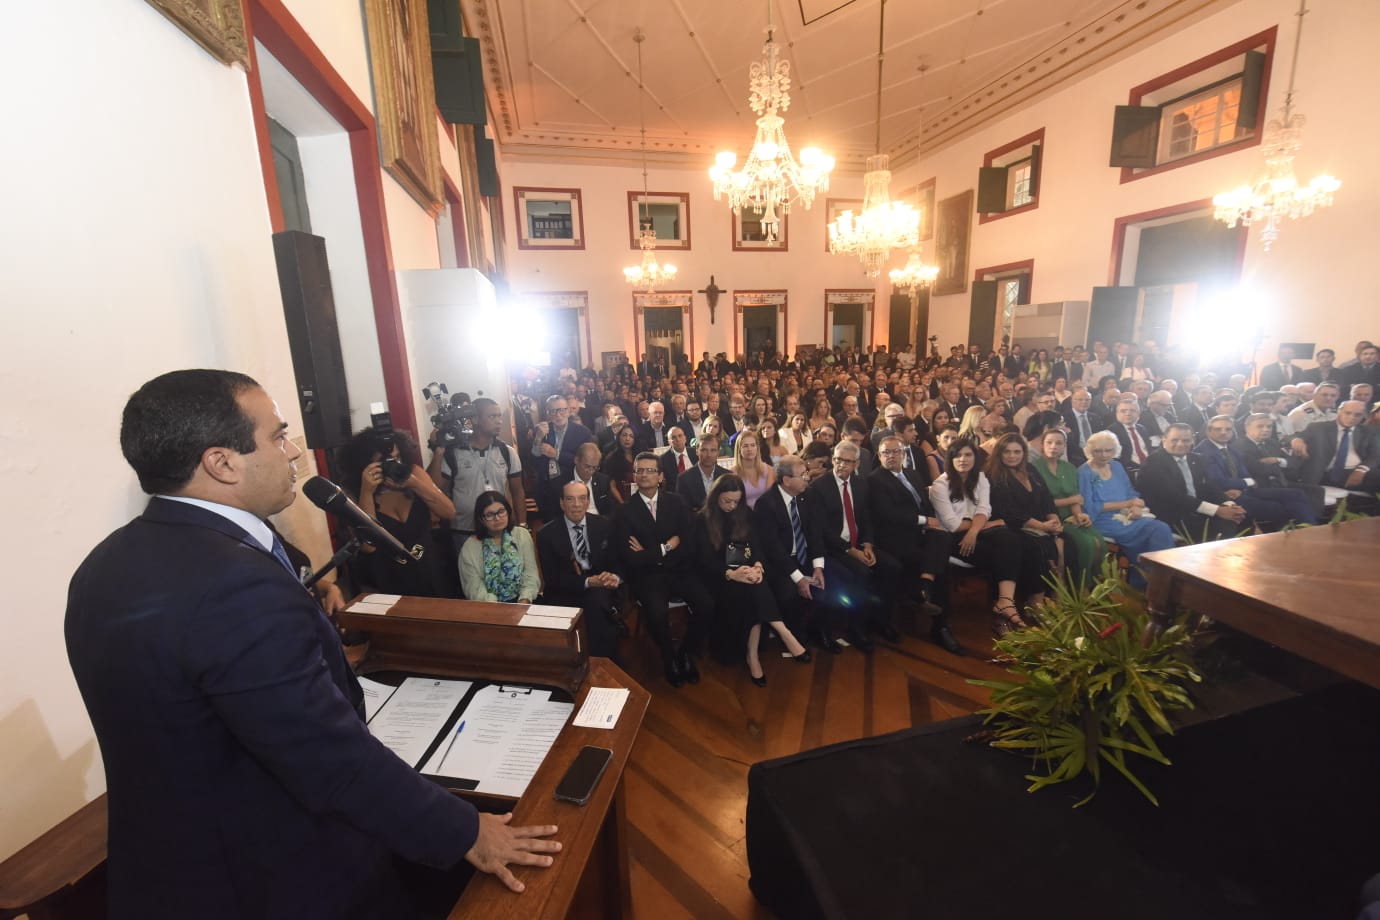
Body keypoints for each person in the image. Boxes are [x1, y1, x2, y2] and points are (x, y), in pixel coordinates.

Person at [67, 370, 558, 919]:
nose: (294, 453)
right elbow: (327, 757)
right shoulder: (236, 586)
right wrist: (467, 831)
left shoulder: (103, 565)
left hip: (167, 866)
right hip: (271, 876)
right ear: (221, 462)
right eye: (277, 437)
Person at [691, 475, 810, 685]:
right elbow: (703, 560)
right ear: (715, 496)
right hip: (718, 576)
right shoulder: (702, 519)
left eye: (736, 501)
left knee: (755, 584)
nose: (732, 506)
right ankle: (781, 634)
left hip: (746, 571)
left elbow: (757, 547)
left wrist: (758, 566)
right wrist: (731, 574)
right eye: (726, 501)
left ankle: (753, 655)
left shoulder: (745, 513)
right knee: (753, 590)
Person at [615, 452, 718, 688]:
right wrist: (665, 548)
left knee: (706, 605)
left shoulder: (677, 502)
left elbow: (689, 542)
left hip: (679, 569)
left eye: (650, 470)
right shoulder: (624, 511)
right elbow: (629, 557)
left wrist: (651, 553)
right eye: (639, 470)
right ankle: (668, 656)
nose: (644, 475)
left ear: (661, 476)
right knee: (656, 611)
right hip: (647, 577)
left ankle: (686, 652)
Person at [927, 438, 1032, 636]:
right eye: (958, 455)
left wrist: (974, 531)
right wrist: (979, 524)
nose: (963, 459)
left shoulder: (981, 478)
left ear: (976, 457)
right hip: (950, 539)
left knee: (1011, 539)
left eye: (968, 455)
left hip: (975, 534)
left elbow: (985, 509)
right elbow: (953, 524)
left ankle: (1005, 602)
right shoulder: (940, 485)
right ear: (950, 458)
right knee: (1002, 553)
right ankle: (1003, 611)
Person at [806, 441, 903, 652]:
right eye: (838, 460)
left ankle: (880, 620)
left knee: (892, 568)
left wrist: (867, 544)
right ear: (833, 460)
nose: (841, 465)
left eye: (847, 461)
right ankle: (854, 629)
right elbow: (821, 530)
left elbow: (866, 517)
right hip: (833, 549)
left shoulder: (861, 484)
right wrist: (851, 551)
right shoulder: (818, 488)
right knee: (861, 573)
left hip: (858, 543)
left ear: (856, 463)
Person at [339, 426, 456, 597]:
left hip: (429, 569)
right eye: (384, 462)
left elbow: (449, 512)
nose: (393, 465)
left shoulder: (414, 473)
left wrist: (414, 483)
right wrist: (367, 492)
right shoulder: (355, 491)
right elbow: (368, 547)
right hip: (388, 578)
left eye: (397, 458)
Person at [868, 435, 959, 653]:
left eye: (895, 452)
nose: (890, 456)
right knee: (941, 565)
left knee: (942, 538)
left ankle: (927, 594)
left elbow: (924, 503)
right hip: (893, 537)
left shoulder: (911, 474)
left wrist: (929, 522)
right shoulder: (875, 480)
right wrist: (925, 521)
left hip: (919, 533)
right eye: (885, 453)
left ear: (903, 454)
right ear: (879, 456)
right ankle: (939, 622)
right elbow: (887, 514)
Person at [536, 481, 623, 662]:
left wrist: (614, 577)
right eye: (570, 499)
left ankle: (604, 665)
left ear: (588, 501)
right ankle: (578, 665)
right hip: (565, 590)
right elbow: (553, 579)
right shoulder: (546, 534)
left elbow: (618, 562)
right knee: (591, 608)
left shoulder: (605, 525)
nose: (576, 505)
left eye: (582, 499)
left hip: (600, 586)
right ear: (562, 503)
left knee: (598, 606)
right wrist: (587, 582)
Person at [429, 397, 527, 557]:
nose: (499, 421)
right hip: (464, 531)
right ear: (475, 419)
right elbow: (435, 488)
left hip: (497, 528)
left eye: (499, 416)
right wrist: (439, 451)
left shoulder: (507, 452)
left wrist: (522, 525)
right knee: (469, 579)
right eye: (492, 416)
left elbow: (518, 491)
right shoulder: (455, 453)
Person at [1077, 430, 1176, 587]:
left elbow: (1130, 492)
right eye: (1098, 451)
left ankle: (1154, 582)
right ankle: (1156, 584)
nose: (1103, 455)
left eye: (1108, 450)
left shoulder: (1116, 466)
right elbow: (1089, 507)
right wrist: (1127, 504)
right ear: (1089, 451)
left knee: (1161, 528)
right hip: (1103, 520)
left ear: (1115, 450)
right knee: (1154, 533)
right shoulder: (1084, 472)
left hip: (1128, 514)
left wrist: (1136, 506)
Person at [1193, 415, 1317, 529]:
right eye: (1218, 429)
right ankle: (1294, 534)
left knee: (1297, 494)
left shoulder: (1229, 448)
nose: (1224, 432)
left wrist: (1248, 483)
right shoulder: (1204, 452)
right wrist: (1249, 482)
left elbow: (1243, 472)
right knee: (1279, 507)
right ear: (1209, 431)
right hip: (1225, 495)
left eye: (1228, 429)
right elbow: (1218, 482)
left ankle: (1310, 530)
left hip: (1245, 490)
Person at [984, 432, 1059, 612]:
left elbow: (1047, 497)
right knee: (1037, 547)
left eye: (1017, 452)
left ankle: (1056, 595)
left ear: (1023, 453)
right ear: (999, 453)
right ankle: (1035, 600)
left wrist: (1053, 518)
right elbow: (1007, 511)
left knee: (1068, 543)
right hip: (1010, 527)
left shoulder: (1031, 469)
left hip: (1040, 524)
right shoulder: (992, 475)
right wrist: (1042, 526)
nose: (1012, 456)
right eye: (1007, 452)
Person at [1031, 427, 1106, 589]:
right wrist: (1072, 500)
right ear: (1042, 445)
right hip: (1049, 519)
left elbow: (1076, 498)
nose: (1053, 446)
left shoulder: (1069, 468)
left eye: (1058, 443)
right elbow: (1041, 503)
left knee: (1099, 541)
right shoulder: (1033, 468)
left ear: (1064, 446)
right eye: (1049, 442)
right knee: (1085, 543)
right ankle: (1081, 589)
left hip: (1071, 517)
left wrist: (1079, 514)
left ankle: (1099, 587)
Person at [460, 492, 541, 603]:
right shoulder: (470, 547)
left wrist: (524, 600)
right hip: (487, 607)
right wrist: (499, 610)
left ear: (508, 511)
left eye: (501, 511)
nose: (497, 518)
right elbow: (474, 589)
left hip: (522, 603)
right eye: (489, 515)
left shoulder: (521, 535)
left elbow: (531, 574)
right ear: (481, 519)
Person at [531, 395, 593, 520]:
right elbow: (534, 458)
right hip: (545, 488)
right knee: (550, 527)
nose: (558, 415)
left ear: (569, 411)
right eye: (552, 411)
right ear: (547, 413)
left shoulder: (582, 432)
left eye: (562, 410)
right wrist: (538, 438)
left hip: (571, 486)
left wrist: (556, 454)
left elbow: (584, 462)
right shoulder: (541, 429)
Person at [733, 428, 775, 509]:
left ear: (757, 448)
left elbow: (770, 499)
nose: (749, 449)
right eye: (745, 446)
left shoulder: (769, 470)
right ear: (739, 449)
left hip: (765, 513)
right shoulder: (732, 474)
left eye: (752, 445)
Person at [600, 422, 638, 498]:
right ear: (619, 437)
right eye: (624, 435)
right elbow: (612, 485)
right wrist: (622, 503)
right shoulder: (611, 458)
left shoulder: (640, 455)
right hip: (621, 496)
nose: (627, 439)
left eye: (631, 436)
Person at [657, 424, 696, 491]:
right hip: (676, 495)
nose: (678, 439)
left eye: (680, 436)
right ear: (669, 442)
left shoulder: (696, 453)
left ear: (685, 438)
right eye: (673, 437)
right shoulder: (663, 459)